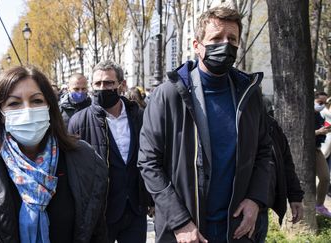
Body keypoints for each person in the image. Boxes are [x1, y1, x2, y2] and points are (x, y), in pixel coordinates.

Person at [138, 6, 272, 243]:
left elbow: (264, 153)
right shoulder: (168, 95)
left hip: (238, 229)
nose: (225, 45)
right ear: (196, 45)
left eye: (232, 39)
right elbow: (149, 163)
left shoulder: (249, 95)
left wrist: (256, 200)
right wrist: (179, 221)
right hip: (186, 231)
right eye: (216, 38)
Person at [0, 66, 108, 242]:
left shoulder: (84, 159)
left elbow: (96, 231)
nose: (27, 110)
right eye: (14, 103)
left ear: (49, 106)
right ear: (0, 114)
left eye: (36, 101)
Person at [68, 60, 151, 243]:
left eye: (108, 83)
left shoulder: (138, 115)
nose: (102, 88)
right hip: (100, 215)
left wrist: (150, 199)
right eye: (97, 83)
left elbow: (150, 158)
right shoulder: (78, 122)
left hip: (135, 210)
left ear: (121, 85)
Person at [255, 105, 304, 243]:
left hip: (261, 210)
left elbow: (285, 161)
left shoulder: (269, 123)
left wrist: (295, 196)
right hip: (231, 211)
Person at [314, 91, 331, 217]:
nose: (322, 105)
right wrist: (318, 132)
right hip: (304, 151)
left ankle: (319, 205)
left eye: (324, 103)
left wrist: (323, 131)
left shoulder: (320, 115)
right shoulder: (303, 113)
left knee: (325, 178)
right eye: (320, 102)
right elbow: (299, 134)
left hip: (316, 149)